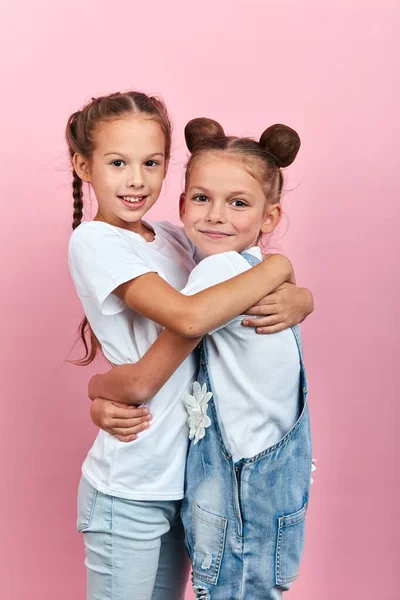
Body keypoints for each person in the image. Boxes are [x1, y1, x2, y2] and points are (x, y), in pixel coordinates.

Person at [67, 91, 313, 600]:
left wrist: (301, 298)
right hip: (131, 485)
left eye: (151, 163)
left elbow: (231, 283)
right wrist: (278, 266)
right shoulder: (94, 241)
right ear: (83, 166)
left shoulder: (177, 238)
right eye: (118, 163)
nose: (136, 180)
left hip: (189, 482)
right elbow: (191, 318)